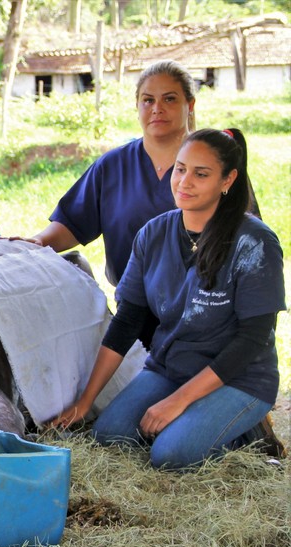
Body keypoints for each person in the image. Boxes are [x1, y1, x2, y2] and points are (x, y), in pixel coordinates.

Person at [51, 129, 285, 470]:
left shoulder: (255, 241)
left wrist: (178, 401)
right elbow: (127, 320)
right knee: (110, 437)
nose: (184, 182)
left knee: (170, 456)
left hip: (240, 378)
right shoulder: (153, 233)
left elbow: (252, 339)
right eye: (180, 168)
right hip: (171, 368)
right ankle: (197, 425)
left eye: (200, 174)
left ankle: (243, 437)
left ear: (228, 180)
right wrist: (85, 402)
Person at [23, 60, 199, 287]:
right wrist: (39, 241)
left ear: (190, 104)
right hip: (133, 307)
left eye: (169, 99)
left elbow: (244, 235)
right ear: (137, 106)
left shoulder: (214, 163)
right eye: (148, 100)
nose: (157, 108)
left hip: (204, 304)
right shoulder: (113, 166)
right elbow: (75, 222)